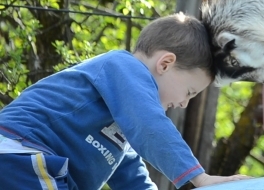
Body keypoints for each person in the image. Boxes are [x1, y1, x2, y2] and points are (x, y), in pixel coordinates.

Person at [0, 13, 250, 189]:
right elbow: (150, 124)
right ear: (165, 64)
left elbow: (130, 175)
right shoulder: (123, 66)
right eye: (189, 91)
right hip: (19, 154)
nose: (184, 103)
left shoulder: (120, 122)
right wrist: (199, 177)